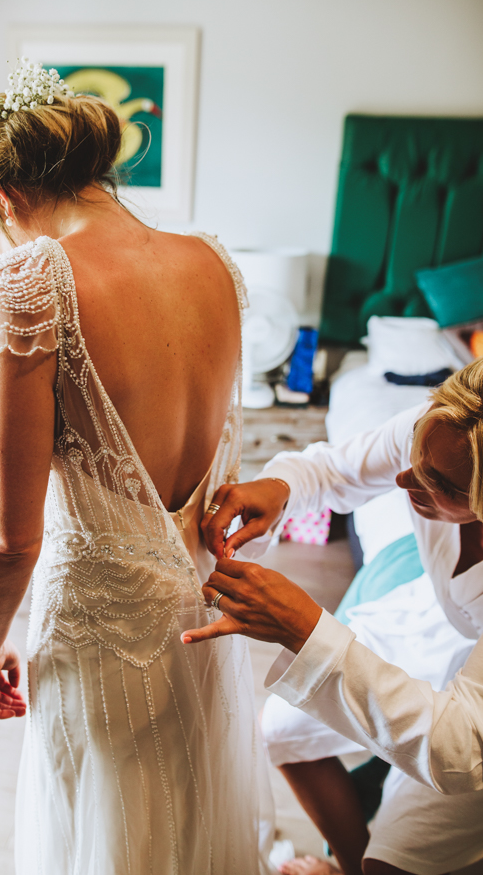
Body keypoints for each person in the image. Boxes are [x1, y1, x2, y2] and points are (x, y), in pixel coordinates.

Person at [0, 59, 275, 874]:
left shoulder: (33, 283)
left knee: (108, 829)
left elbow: (6, 536)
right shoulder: (213, 262)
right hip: (201, 607)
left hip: (102, 631)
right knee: (186, 812)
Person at [183, 361, 483, 875]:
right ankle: (345, 861)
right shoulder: (447, 429)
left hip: (470, 716)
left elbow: (460, 750)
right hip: (439, 621)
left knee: (394, 861)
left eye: (440, 485)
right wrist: (281, 487)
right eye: (416, 455)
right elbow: (338, 469)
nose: (404, 478)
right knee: (280, 727)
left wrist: (306, 629)